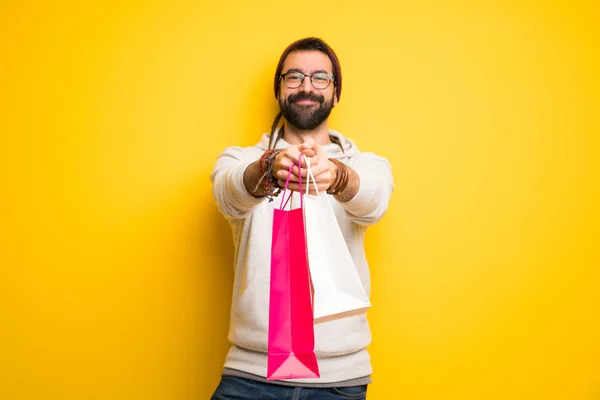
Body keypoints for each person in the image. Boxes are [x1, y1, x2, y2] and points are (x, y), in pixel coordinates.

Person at [210, 37, 393, 400]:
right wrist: (268, 167)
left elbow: (373, 202)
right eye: (293, 77)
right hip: (250, 376)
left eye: (319, 77)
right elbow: (228, 195)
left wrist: (337, 177)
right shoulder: (239, 159)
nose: (306, 86)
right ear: (279, 90)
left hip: (340, 381)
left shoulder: (367, 165)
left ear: (335, 93)